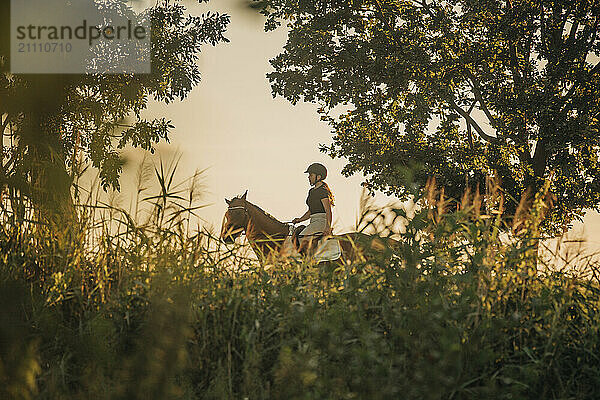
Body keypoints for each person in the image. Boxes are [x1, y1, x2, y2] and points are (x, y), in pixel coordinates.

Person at [292, 163, 335, 254]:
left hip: (322, 222)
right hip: (313, 221)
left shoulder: (323, 191)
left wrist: (327, 227)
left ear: (318, 177)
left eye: (311, 175)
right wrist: (299, 220)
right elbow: (311, 211)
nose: (309, 177)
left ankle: (309, 262)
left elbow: (328, 211)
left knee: (302, 237)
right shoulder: (311, 191)